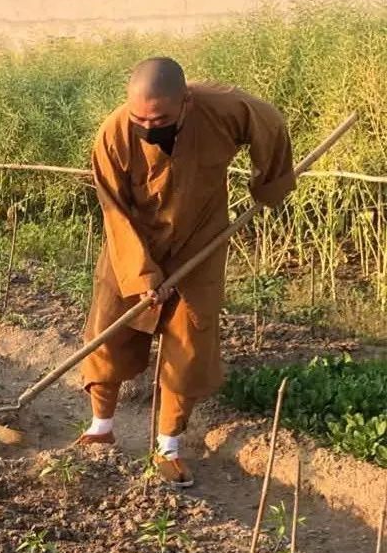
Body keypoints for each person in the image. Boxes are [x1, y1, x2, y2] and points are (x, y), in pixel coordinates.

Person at [74, 57, 295, 487]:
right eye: (139, 118)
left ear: (186, 103)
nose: (147, 127)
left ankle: (168, 448)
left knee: (189, 343)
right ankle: (100, 427)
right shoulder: (114, 133)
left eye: (159, 119)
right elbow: (114, 212)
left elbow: (271, 124)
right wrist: (141, 277)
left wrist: (267, 184)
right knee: (109, 331)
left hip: (200, 243)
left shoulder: (224, 109)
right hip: (133, 245)